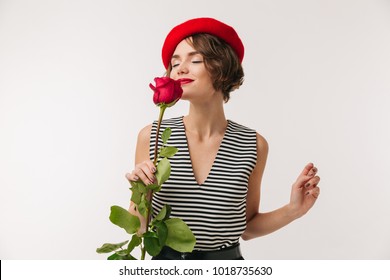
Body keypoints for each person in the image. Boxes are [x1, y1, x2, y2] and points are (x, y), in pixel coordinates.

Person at [125, 17, 321, 260]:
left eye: (195, 59)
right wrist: (139, 191)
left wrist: (293, 210)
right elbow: (138, 228)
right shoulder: (152, 136)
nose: (181, 68)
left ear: (223, 66)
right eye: (175, 63)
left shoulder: (253, 144)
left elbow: (247, 227)